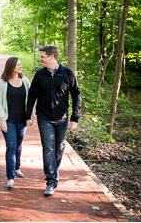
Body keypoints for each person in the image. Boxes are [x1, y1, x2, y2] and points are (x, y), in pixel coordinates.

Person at [26, 45, 81, 197]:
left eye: (43, 56)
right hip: (44, 118)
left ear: (52, 57)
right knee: (49, 147)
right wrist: (28, 113)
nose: (40, 59)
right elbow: (32, 95)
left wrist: (75, 117)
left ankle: (53, 171)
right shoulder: (39, 75)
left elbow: (76, 95)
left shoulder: (67, 73)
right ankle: (51, 180)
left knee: (59, 147)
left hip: (62, 118)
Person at [0, 56, 32, 189]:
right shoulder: (3, 83)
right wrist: (2, 121)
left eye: (20, 64)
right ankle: (10, 177)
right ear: (11, 67)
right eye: (18, 65)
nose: (20, 66)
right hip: (8, 120)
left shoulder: (25, 81)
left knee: (18, 145)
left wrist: (30, 115)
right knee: (11, 146)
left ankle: (17, 168)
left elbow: (29, 101)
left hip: (21, 120)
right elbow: (0, 103)